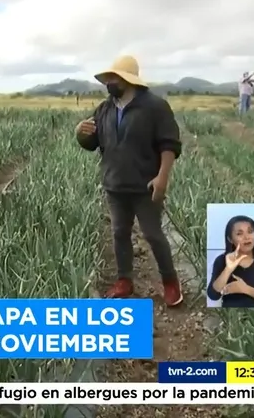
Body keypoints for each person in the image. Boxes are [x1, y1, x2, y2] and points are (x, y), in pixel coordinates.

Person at [74, 55, 184, 307]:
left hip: (145, 185)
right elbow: (91, 144)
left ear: (127, 80)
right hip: (114, 184)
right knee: (119, 233)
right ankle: (124, 281)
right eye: (108, 78)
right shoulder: (104, 109)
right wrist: (80, 133)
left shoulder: (155, 107)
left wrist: (162, 177)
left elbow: (169, 144)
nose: (108, 82)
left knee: (153, 234)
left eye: (113, 78)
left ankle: (170, 283)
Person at [207, 215, 254, 308]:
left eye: (250, 232)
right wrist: (228, 269)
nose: (247, 237)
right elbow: (213, 295)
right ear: (230, 239)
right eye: (239, 234)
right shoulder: (221, 260)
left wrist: (246, 289)